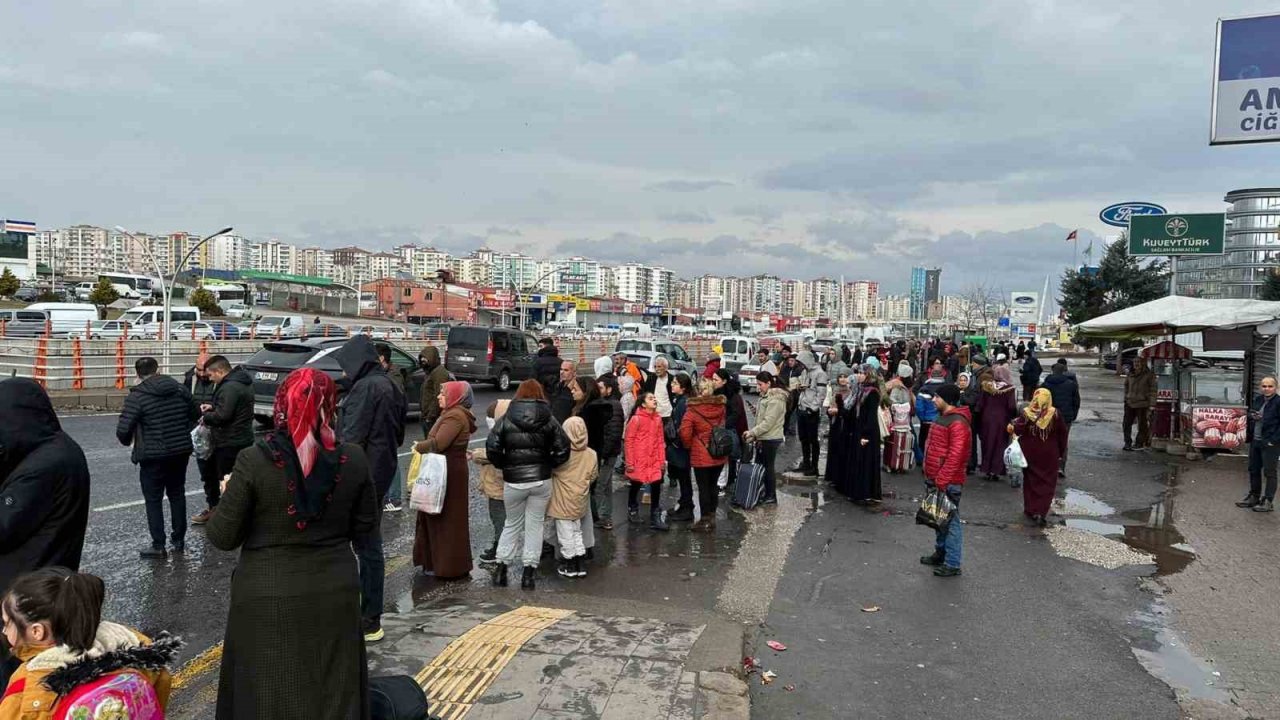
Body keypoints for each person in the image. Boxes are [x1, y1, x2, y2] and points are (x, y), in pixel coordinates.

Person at [206, 368, 375, 719]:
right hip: (335, 593)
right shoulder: (354, 459)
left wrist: (227, 494)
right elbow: (365, 529)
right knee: (332, 691)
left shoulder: (254, 461)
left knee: (267, 692)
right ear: (332, 407)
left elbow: (222, 536)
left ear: (283, 404)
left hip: (267, 595)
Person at [0, 377, 92, 686]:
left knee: (15, 675)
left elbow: (4, 526)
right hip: (47, 580)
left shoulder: (42, 466)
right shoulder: (57, 448)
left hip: (26, 592)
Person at [0, 568, 178, 720]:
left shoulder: (30, 682)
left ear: (37, 631)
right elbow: (160, 689)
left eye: (7, 623)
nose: (4, 631)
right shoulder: (135, 644)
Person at [333, 335, 406, 642]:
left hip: (362, 477)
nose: (345, 373)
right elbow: (399, 435)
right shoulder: (391, 385)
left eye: (346, 367)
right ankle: (369, 615)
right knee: (370, 546)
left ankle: (367, 617)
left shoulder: (366, 388)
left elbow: (351, 438)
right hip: (382, 470)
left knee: (364, 547)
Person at [486, 380, 571, 591]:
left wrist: (505, 465)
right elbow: (564, 448)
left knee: (511, 524)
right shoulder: (549, 419)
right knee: (535, 525)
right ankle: (528, 574)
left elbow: (492, 447)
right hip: (541, 480)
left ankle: (501, 569)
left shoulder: (507, 417)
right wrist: (549, 464)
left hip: (514, 481)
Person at [116, 357, 199, 559]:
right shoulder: (179, 389)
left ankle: (158, 545)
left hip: (152, 455)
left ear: (137, 374)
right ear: (158, 369)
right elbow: (195, 413)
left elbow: (123, 430)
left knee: (153, 499)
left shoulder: (138, 396)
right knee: (177, 494)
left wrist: (129, 441)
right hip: (180, 452)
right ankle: (179, 541)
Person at [412, 381, 475, 580]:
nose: (439, 397)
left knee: (445, 519)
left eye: (443, 393)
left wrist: (419, 446)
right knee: (440, 516)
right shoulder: (452, 413)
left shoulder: (455, 415)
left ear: (455, 397)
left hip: (448, 473)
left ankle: (447, 566)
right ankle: (438, 563)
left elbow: (439, 443)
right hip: (446, 469)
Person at [920, 383, 971, 577]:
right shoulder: (945, 418)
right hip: (937, 478)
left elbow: (956, 456)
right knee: (939, 519)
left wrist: (942, 479)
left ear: (947, 400)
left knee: (950, 522)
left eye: (937, 397)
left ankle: (952, 562)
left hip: (947, 481)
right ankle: (941, 554)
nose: (934, 400)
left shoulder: (957, 422)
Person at [197, 356, 254, 525]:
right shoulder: (239, 382)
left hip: (229, 440)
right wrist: (213, 407)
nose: (209, 379)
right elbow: (230, 408)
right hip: (239, 437)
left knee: (227, 480)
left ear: (220, 371)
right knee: (233, 478)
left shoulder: (230, 387)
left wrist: (206, 417)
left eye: (211, 375)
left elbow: (224, 416)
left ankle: (231, 517)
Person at [1010, 389, 1069, 526]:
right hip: (1049, 454)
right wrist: (1061, 453)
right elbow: (1062, 435)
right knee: (1047, 482)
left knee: (1030, 481)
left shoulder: (1027, 413)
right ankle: (1041, 511)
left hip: (1029, 452)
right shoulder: (1055, 414)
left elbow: (1018, 430)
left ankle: (1031, 509)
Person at [549, 417, 597, 578]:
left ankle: (569, 564)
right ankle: (580, 562)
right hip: (580, 499)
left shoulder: (562, 454)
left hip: (562, 499)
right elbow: (593, 476)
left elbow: (550, 470)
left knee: (565, 533)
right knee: (577, 531)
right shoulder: (591, 454)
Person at [679, 378, 727, 530]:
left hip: (701, 453)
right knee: (713, 485)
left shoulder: (692, 410)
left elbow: (685, 433)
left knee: (703, 487)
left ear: (699, 391)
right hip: (718, 452)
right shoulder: (720, 407)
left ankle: (704, 519)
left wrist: (689, 446)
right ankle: (712, 517)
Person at [471, 400, 510, 564]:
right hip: (499, 485)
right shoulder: (510, 430)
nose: (488, 420)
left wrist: (475, 454)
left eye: (490, 417)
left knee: (499, 519)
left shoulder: (504, 434)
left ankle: (500, 550)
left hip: (498, 485)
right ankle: (499, 547)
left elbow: (494, 454)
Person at [184, 353, 221, 523]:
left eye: (203, 370)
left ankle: (227, 511)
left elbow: (225, 404)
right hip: (199, 433)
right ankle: (213, 507)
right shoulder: (190, 378)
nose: (200, 374)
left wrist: (212, 408)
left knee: (223, 474)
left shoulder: (221, 380)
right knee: (206, 474)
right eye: (198, 369)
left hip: (219, 431)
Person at [624, 392, 669, 530]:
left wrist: (662, 461)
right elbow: (629, 441)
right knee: (636, 483)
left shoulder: (657, 419)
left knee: (656, 485)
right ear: (643, 403)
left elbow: (661, 441)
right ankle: (632, 508)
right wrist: (630, 462)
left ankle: (655, 516)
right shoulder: (636, 419)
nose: (654, 399)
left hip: (654, 458)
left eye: (655, 398)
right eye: (650, 398)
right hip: (639, 458)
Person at [585, 375, 624, 530]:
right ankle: (605, 516)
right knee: (606, 486)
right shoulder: (606, 404)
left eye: (601, 387)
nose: (598, 390)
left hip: (607, 453)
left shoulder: (612, 405)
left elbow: (613, 433)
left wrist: (603, 454)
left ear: (609, 389)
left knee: (600, 486)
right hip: (608, 452)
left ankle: (601, 517)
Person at [744, 373, 788, 506]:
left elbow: (768, 422)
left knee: (768, 467)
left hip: (771, 438)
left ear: (769, 383)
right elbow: (765, 417)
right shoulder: (766, 396)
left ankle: (771, 496)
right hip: (764, 437)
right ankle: (763, 492)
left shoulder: (775, 399)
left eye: (760, 384)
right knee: (761, 466)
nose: (758, 388)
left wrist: (752, 432)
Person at [1240, 376, 1280, 512]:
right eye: (1264, 386)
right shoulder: (1258, 399)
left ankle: (1268, 501)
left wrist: (1273, 441)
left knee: (1270, 472)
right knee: (1253, 469)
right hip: (1255, 440)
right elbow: (1250, 413)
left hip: (1270, 443)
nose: (1267, 389)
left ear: (1276, 387)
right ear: (1260, 387)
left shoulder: (1278, 402)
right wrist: (1253, 415)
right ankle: (1254, 497)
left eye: (1270, 386)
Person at [375, 343, 406, 512]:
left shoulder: (394, 376)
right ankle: (388, 496)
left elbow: (394, 401)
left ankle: (394, 498)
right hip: (387, 424)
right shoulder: (388, 374)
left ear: (381, 358)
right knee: (386, 459)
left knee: (391, 460)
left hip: (390, 424)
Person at [847, 365, 884, 505]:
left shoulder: (872, 392)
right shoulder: (861, 389)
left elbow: (870, 416)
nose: (860, 375)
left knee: (866, 461)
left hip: (868, 431)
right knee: (859, 460)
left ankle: (867, 492)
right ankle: (859, 492)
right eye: (859, 373)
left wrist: (865, 434)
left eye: (863, 373)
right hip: (859, 428)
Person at [1041, 361, 1081, 477]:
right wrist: (1073, 415)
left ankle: (1048, 466)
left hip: (1049, 417)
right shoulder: (1071, 384)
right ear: (1064, 371)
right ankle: (1061, 467)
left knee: (1048, 440)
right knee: (1063, 441)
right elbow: (1076, 401)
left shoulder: (1045, 384)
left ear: (1052, 371)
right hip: (1066, 417)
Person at [976, 370, 1018, 481]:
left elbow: (980, 405)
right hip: (1002, 420)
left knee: (987, 443)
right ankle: (996, 470)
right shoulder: (1009, 389)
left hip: (986, 419)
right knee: (1000, 445)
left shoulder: (986, 387)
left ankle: (986, 469)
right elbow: (1012, 406)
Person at [713, 369, 748, 496]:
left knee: (729, 459)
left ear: (724, 381)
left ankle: (727, 483)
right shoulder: (715, 393)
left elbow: (736, 415)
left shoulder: (733, 396)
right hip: (721, 431)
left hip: (731, 431)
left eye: (716, 380)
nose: (713, 382)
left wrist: (722, 425)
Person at [792, 351, 828, 476]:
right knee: (804, 439)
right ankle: (806, 463)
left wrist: (812, 408)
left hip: (810, 411)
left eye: (802, 362)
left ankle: (814, 466)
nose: (800, 365)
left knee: (813, 439)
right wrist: (799, 388)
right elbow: (805, 387)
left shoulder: (820, 374)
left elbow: (821, 394)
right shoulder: (805, 372)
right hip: (802, 407)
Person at [665, 374, 695, 522]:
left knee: (684, 479)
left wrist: (677, 442)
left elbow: (684, 427)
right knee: (683, 478)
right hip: (679, 446)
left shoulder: (684, 403)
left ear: (683, 387)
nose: (672, 385)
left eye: (675, 383)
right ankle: (684, 504)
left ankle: (687, 508)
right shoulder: (680, 400)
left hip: (681, 448)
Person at [1123, 356, 1158, 451]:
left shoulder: (1149, 375)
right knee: (1126, 424)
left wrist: (1151, 404)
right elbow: (1126, 386)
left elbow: (1153, 390)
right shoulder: (1130, 374)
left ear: (1143, 363)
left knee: (1142, 425)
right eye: (1135, 362)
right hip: (1130, 403)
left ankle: (1139, 443)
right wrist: (1126, 397)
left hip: (1142, 404)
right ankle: (1127, 443)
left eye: (1138, 362)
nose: (1136, 364)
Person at [417, 345, 450, 437]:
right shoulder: (430, 372)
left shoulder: (439, 373)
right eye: (422, 359)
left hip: (432, 417)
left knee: (432, 443)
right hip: (427, 414)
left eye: (425, 359)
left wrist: (430, 416)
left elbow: (438, 395)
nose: (423, 361)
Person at [957, 372, 981, 475]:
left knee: (971, 442)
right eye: (961, 380)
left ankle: (971, 464)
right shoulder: (956, 390)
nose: (962, 382)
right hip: (959, 421)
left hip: (970, 421)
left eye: (964, 380)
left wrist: (962, 395)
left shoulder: (972, 391)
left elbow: (970, 401)